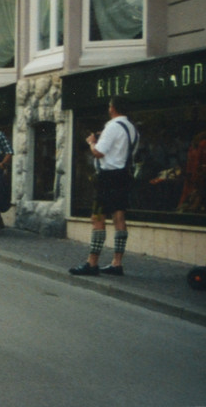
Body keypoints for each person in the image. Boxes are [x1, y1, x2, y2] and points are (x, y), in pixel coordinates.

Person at [70, 96, 139, 276]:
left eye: (109, 106)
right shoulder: (132, 129)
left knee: (97, 217)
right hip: (123, 175)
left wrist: (92, 142)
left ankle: (92, 263)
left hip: (107, 177)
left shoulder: (112, 126)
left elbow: (99, 152)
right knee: (119, 218)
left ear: (112, 108)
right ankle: (117, 262)